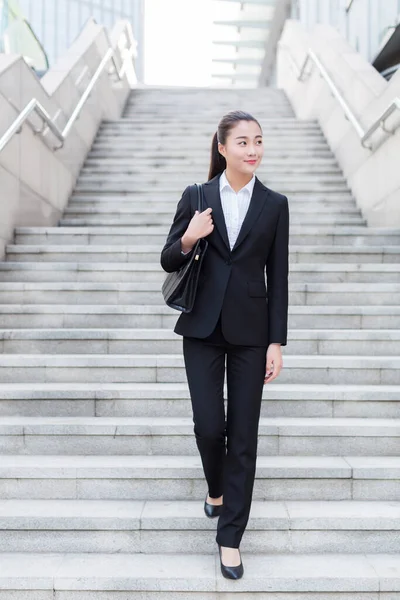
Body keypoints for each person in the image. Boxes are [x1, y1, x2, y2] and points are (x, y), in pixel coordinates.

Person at [160, 110, 289, 580]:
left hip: (253, 334)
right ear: (222, 147)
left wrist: (277, 340)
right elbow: (167, 256)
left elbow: (280, 278)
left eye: (258, 140)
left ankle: (230, 536)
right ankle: (216, 488)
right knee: (210, 427)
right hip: (201, 329)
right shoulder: (197, 196)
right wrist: (191, 236)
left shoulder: (275, 205)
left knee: (246, 435)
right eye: (242, 142)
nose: (252, 149)